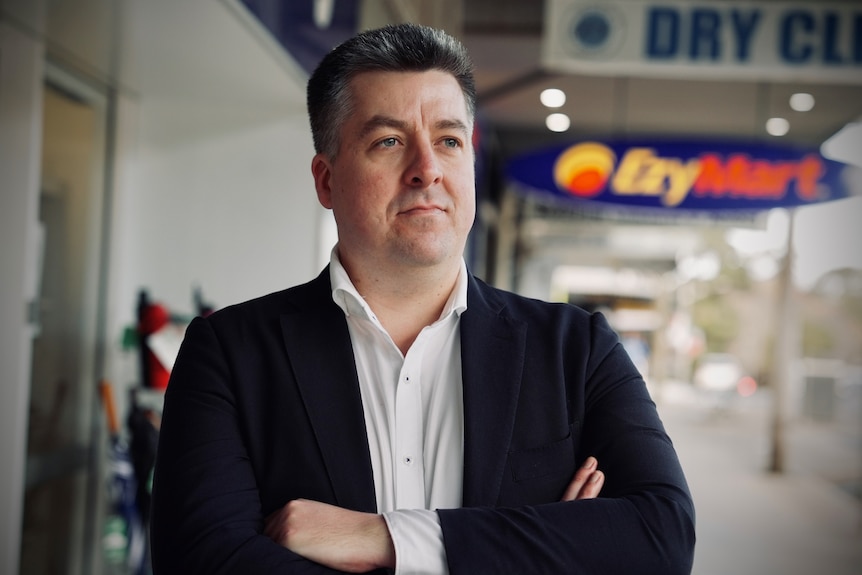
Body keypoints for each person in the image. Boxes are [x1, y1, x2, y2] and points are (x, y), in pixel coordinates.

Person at [150, 23, 695, 574]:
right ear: (326, 180)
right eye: (388, 141)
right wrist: (540, 548)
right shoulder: (228, 353)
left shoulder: (578, 349)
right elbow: (202, 561)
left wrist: (384, 539)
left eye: (449, 141)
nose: (427, 170)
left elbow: (662, 536)